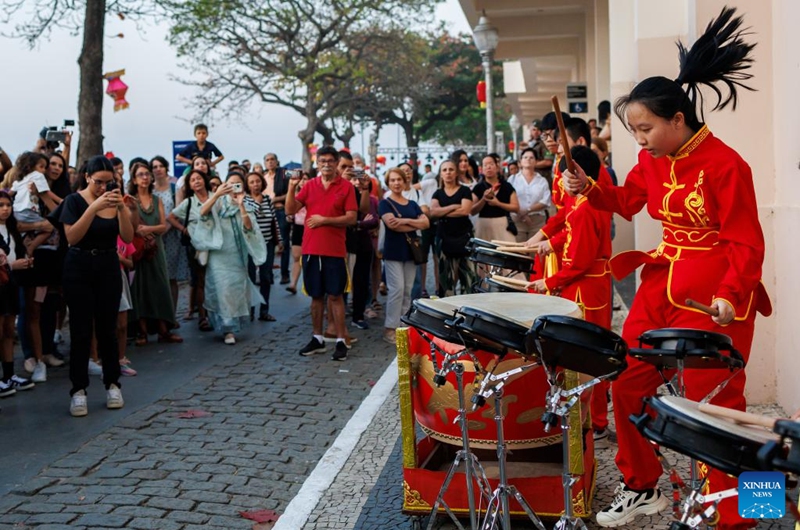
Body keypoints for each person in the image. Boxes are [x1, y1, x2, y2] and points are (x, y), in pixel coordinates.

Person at [561, 8, 770, 529]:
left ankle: (749, 511)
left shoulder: (727, 164)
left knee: (718, 405)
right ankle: (642, 485)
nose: (640, 139)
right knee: (626, 382)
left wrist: (729, 293)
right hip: (659, 286)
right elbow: (628, 201)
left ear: (679, 119)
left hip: (716, 298)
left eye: (646, 127)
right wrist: (589, 189)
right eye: (633, 130)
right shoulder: (652, 161)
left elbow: (745, 239)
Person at [60, 155, 134, 417]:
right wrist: (92, 208)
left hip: (107, 265)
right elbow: (71, 237)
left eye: (109, 182)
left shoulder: (114, 201)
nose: (104, 187)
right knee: (81, 330)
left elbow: (126, 236)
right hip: (78, 265)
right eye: (99, 182)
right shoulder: (73, 201)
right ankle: (78, 390)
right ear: (87, 177)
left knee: (108, 329)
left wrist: (122, 208)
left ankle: (113, 383)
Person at [285, 146, 357, 361]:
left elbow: (352, 218)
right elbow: (290, 210)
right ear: (317, 163)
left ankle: (341, 340)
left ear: (336, 163)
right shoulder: (309, 186)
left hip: (335, 251)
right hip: (310, 249)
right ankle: (317, 338)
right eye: (322, 160)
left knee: (335, 296)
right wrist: (291, 187)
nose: (326, 164)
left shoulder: (345, 187)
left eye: (330, 161)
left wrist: (325, 220)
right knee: (316, 296)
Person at [181, 172, 266, 345]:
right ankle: (227, 329)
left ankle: (233, 325)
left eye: (238, 184)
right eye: (231, 183)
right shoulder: (218, 199)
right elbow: (202, 213)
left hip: (237, 253)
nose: (234, 187)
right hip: (219, 253)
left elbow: (251, 227)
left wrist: (241, 206)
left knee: (235, 290)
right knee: (221, 289)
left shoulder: (248, 201)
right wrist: (218, 194)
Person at [127, 162, 182, 346]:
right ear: (134, 179)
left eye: (147, 174)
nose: (144, 177)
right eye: (140, 174)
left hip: (156, 248)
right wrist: (139, 231)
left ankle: (163, 330)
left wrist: (147, 229)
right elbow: (129, 227)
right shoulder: (130, 200)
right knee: (140, 288)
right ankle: (142, 332)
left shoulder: (157, 199)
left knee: (160, 286)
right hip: (139, 249)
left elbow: (161, 225)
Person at [379, 167, 429, 344]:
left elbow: (426, 223)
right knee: (397, 289)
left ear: (404, 181)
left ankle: (403, 324)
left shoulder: (412, 204)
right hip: (393, 251)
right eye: (392, 180)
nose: (396, 183)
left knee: (407, 290)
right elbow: (392, 225)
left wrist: (405, 220)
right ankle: (390, 327)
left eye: (399, 180)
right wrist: (414, 224)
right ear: (388, 183)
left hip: (410, 251)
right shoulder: (385, 203)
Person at [0, 191, 35, 397]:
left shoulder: (11, 229)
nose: (5, 208)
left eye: (7, 205)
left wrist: (23, 262)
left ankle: (9, 375)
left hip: (10, 284)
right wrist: (13, 265)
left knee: (7, 332)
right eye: (1, 205)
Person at [168, 170, 212, 331]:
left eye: (199, 178)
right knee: (200, 280)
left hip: (217, 245)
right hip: (197, 246)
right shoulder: (188, 203)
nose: (196, 181)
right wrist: (183, 229)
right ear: (189, 185)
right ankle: (202, 316)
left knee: (214, 279)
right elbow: (170, 217)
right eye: (192, 180)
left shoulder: (215, 197)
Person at [429, 160, 474, 297]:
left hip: (464, 237)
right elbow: (433, 213)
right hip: (444, 237)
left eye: (451, 169)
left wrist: (443, 212)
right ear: (441, 174)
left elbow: (465, 211)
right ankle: (447, 311)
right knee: (445, 279)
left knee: (468, 278)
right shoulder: (437, 194)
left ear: (456, 173)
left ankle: (469, 311)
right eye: (444, 170)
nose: (448, 172)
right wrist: (454, 206)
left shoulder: (465, 190)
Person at [244, 171, 280, 322]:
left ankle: (264, 310)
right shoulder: (244, 200)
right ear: (247, 185)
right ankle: (250, 310)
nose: (255, 184)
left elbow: (274, 221)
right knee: (251, 278)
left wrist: (280, 240)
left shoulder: (267, 199)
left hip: (268, 242)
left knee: (266, 277)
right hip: (251, 244)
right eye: (251, 182)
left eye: (257, 181)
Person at [470, 154, 519, 243]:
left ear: (497, 167)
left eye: (491, 164)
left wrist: (498, 203)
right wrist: (483, 199)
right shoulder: (478, 187)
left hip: (503, 223)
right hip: (483, 225)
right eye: (485, 165)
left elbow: (516, 207)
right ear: (482, 169)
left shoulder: (507, 186)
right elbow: (472, 211)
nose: (488, 167)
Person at [507, 147, 552, 242]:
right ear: (520, 162)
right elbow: (508, 199)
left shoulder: (542, 180)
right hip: (517, 220)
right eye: (525, 157)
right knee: (518, 252)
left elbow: (545, 201)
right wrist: (522, 214)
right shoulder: (512, 179)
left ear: (536, 162)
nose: (528, 159)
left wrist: (527, 210)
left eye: (531, 158)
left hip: (537, 221)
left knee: (535, 252)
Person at [263, 154, 291, 285]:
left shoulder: (284, 173)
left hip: (280, 210)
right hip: (266, 212)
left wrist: (277, 199)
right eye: (267, 160)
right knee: (267, 242)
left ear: (277, 161)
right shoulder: (263, 177)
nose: (270, 162)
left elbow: (293, 189)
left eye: (272, 159)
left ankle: (285, 274)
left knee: (283, 242)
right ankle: (267, 274)